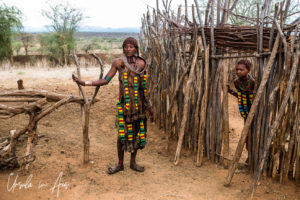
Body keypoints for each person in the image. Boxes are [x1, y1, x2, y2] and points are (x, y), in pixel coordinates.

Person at [72, 37, 153, 174]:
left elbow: (144, 88)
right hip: (125, 106)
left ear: (136, 48)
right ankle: (120, 164)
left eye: (131, 46)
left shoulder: (142, 63)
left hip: (139, 106)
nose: (128, 49)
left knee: (138, 134)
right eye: (126, 46)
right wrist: (84, 83)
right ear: (123, 48)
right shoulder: (118, 63)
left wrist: (149, 105)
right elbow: (105, 80)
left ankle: (133, 162)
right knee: (122, 136)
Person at [227, 59, 255, 160]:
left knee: (255, 132)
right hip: (245, 111)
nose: (238, 71)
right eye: (237, 69)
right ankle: (250, 155)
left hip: (255, 111)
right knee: (248, 133)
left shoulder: (253, 82)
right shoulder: (236, 82)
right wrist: (230, 91)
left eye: (241, 70)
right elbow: (241, 96)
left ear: (248, 70)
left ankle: (254, 156)